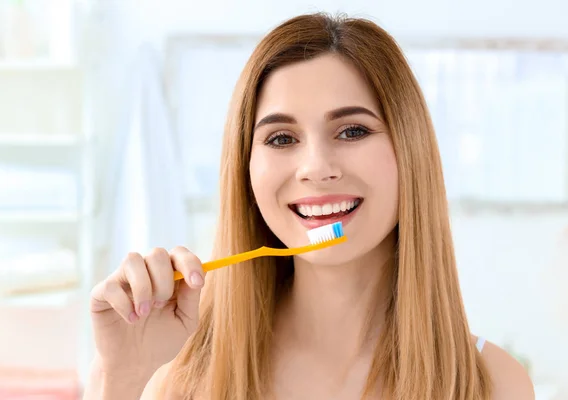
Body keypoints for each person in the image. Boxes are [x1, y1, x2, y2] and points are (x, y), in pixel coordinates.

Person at [83, 13, 535, 400]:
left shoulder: (493, 383)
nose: (316, 168)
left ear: (410, 150)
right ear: (245, 169)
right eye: (281, 138)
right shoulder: (174, 370)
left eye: (353, 131)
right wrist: (125, 380)